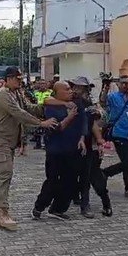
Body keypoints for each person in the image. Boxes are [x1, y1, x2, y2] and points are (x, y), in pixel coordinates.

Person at [0, 66, 58, 231]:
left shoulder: (16, 93)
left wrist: (47, 104)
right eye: (17, 79)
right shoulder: (3, 94)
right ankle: (2, 211)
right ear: (9, 78)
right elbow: (18, 112)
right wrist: (41, 123)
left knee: (0, 173)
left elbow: (28, 107)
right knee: (5, 173)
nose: (20, 81)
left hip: (8, 140)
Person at [32, 81, 84, 221]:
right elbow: (56, 128)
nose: (70, 91)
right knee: (53, 180)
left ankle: (58, 209)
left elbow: (83, 121)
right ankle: (39, 206)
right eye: (66, 89)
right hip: (56, 150)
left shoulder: (75, 103)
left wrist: (82, 138)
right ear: (58, 92)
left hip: (71, 149)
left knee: (70, 181)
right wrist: (69, 117)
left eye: (70, 89)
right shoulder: (51, 107)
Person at [99, 75, 128, 200]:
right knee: (127, 162)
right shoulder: (113, 97)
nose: (125, 85)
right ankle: (107, 173)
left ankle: (127, 187)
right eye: (122, 83)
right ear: (118, 84)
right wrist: (105, 87)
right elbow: (103, 101)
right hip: (118, 134)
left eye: (127, 83)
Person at [33, 79, 53, 149]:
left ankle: (46, 144)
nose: (42, 85)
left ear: (47, 84)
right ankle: (38, 144)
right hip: (38, 111)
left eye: (44, 83)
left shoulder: (51, 92)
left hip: (47, 110)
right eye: (41, 84)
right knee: (38, 128)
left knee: (47, 128)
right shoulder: (35, 93)